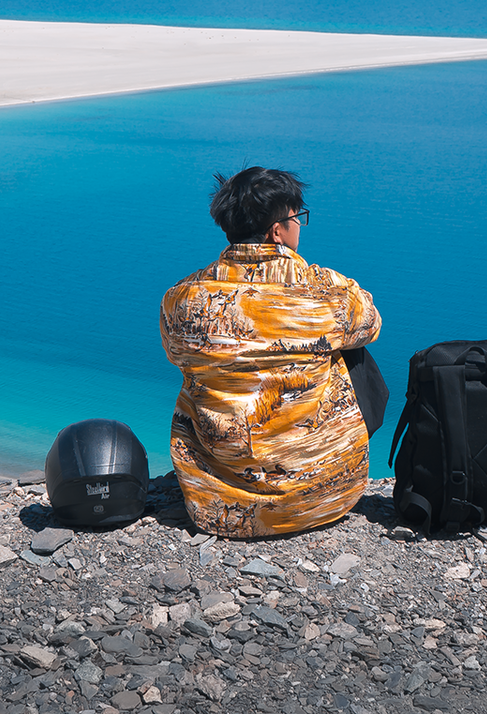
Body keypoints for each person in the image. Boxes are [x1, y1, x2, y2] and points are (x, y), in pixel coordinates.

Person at [159, 167, 381, 538]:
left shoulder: (181, 298)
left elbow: (173, 351)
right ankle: (318, 463)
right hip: (324, 500)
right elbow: (371, 322)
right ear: (277, 230)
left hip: (213, 506)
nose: (299, 226)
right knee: (352, 351)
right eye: (297, 218)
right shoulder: (325, 290)